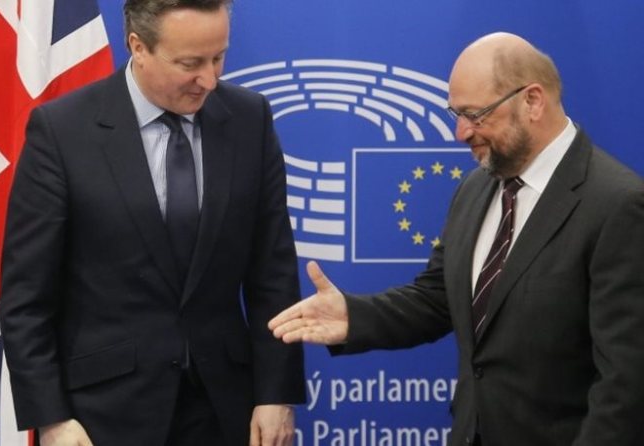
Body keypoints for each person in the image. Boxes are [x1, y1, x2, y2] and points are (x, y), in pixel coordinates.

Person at [269, 32, 644, 446]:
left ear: (533, 101)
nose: (460, 133)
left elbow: (626, 383)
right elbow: (438, 299)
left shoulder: (618, 205)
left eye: (474, 115)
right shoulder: (476, 188)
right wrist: (354, 317)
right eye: (456, 114)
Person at [0, 1, 305, 444]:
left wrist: (276, 394)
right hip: (102, 416)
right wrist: (51, 419)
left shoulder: (249, 119)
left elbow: (272, 272)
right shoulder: (62, 131)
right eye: (190, 64)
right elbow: (27, 296)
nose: (210, 79)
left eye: (218, 57)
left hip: (224, 411)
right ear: (138, 47)